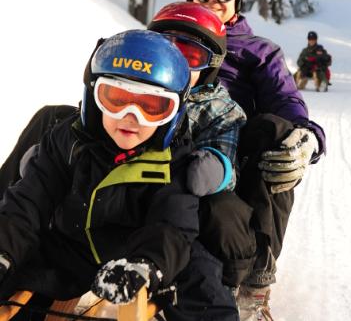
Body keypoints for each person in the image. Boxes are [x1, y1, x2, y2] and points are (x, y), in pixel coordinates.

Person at [0, 29, 239, 320]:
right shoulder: (67, 140)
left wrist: (146, 264)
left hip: (141, 254)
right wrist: (5, 249)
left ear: (173, 113)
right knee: (15, 271)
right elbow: (27, 204)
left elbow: (172, 227)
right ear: (93, 95)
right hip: (72, 247)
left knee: (204, 287)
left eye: (152, 107)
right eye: (117, 98)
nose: (131, 117)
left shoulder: (175, 160)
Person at [183, 0, 326, 319]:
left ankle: (255, 281)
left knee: (276, 130)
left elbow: (288, 103)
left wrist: (308, 135)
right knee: (54, 120)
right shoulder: (169, 35)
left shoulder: (257, 51)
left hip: (235, 157)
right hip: (168, 134)